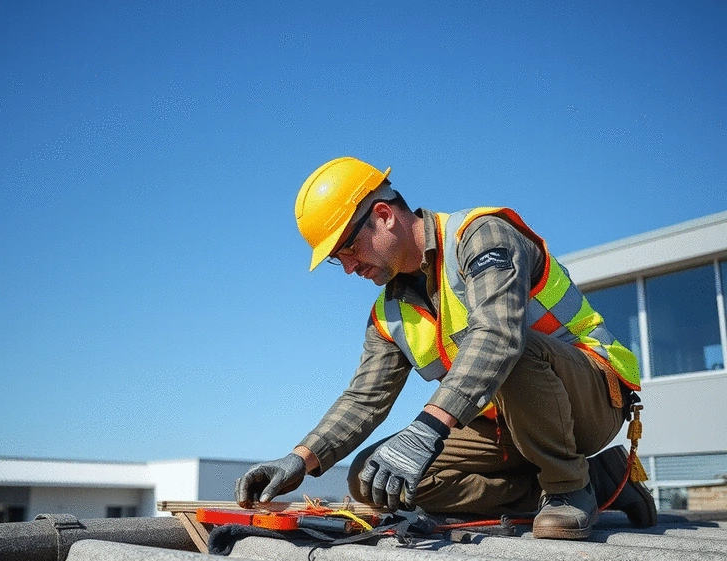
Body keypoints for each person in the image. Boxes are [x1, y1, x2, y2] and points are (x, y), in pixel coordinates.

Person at [235, 157, 657, 540]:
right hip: (505, 424)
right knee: (373, 475)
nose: (348, 267)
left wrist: (426, 431)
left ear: (382, 216)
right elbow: (364, 400)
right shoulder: (390, 312)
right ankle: (598, 481)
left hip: (591, 397)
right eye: (336, 259)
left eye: (347, 248)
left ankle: (567, 488)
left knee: (511, 350)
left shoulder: (481, 236)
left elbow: (498, 336)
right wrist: (298, 460)